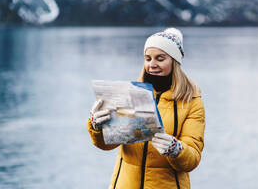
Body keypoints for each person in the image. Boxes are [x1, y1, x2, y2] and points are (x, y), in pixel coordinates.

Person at [87, 28, 205, 189]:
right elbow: (106, 145)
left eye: (160, 58)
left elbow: (192, 159)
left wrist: (176, 150)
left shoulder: (191, 101)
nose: (152, 64)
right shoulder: (130, 93)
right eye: (148, 58)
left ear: (174, 62)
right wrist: (97, 127)